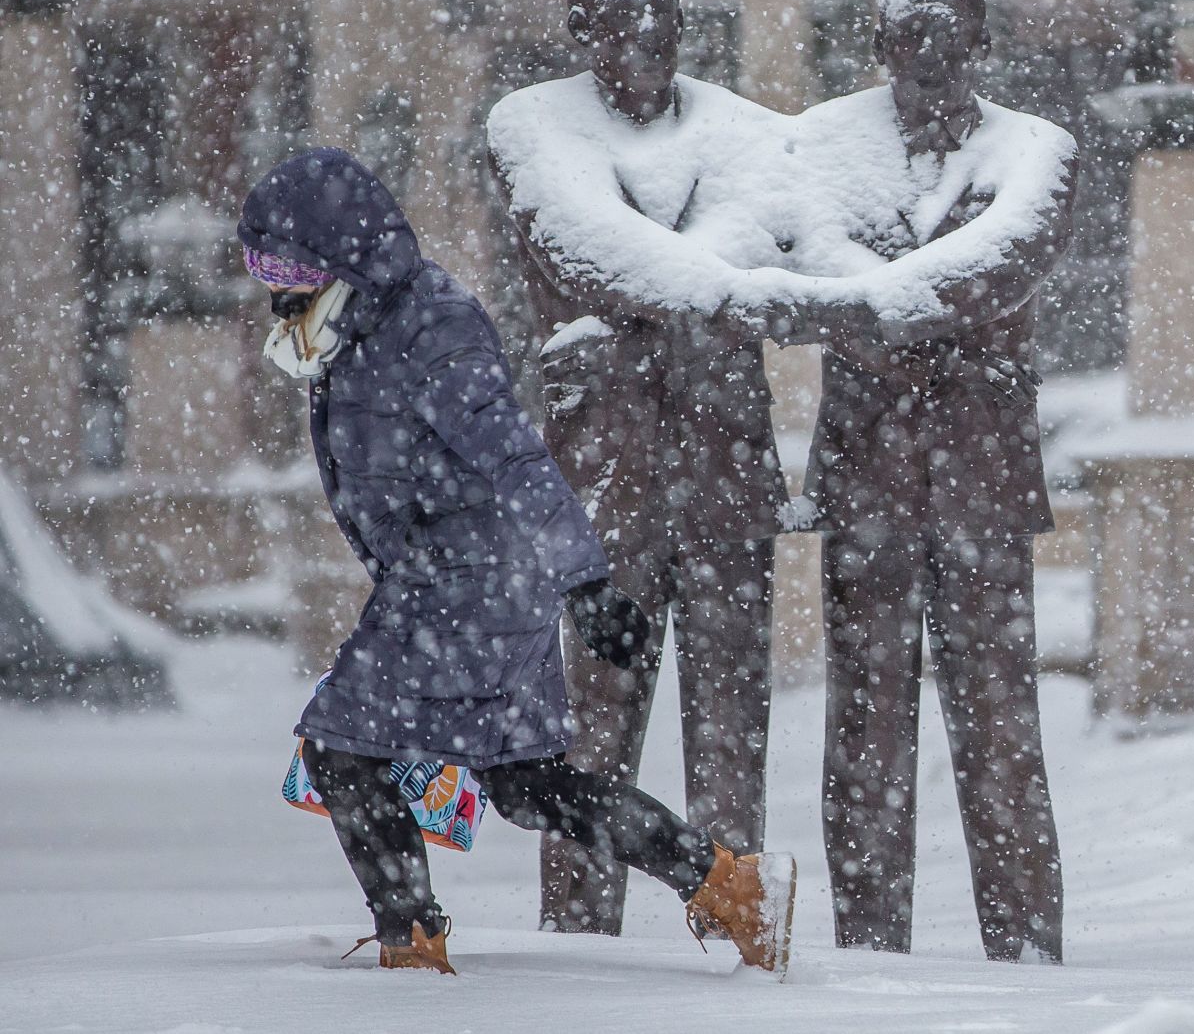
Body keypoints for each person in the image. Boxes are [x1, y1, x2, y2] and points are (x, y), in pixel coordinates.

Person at [237, 146, 794, 975]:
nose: (279, 294)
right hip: (468, 584)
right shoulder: (361, 330)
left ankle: (412, 948)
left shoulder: (431, 330)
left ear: (344, 255)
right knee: (528, 785)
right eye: (265, 273)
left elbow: (518, 460)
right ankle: (732, 885)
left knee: (343, 748)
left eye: (290, 271)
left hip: (467, 589)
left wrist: (590, 583)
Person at [486, 0, 826, 937]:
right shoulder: (531, 125)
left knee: (733, 730)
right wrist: (717, 290)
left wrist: (661, 300)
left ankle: (736, 920)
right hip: (599, 492)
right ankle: (581, 938)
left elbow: (760, 236)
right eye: (626, 15)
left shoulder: (746, 132)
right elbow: (589, 255)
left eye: (663, 14)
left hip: (726, 474)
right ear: (582, 27)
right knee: (586, 740)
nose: (649, 34)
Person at [789, 0, 1079, 963]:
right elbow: (810, 259)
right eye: (910, 33)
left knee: (1001, 733)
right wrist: (896, 307)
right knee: (863, 733)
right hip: (865, 480)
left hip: (984, 486)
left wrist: (881, 306)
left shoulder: (1037, 150)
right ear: (879, 44)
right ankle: (868, 949)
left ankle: (1028, 945)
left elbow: (1006, 261)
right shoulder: (817, 145)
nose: (930, 53)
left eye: (950, 34)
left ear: (983, 43)